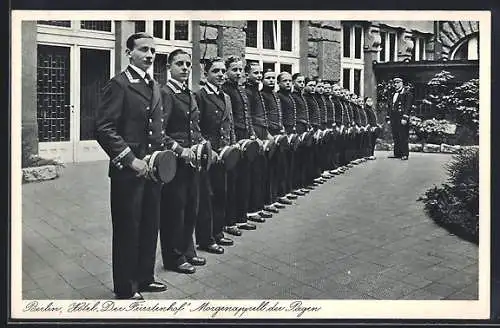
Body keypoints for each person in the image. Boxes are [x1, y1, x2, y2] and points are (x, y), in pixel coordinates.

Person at [95, 32, 167, 300]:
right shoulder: (120, 84)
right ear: (129, 53)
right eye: (143, 50)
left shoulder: (154, 85)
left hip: (152, 170)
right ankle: (126, 287)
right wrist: (130, 160)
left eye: (152, 51)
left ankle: (145, 277)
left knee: (150, 224)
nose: (149, 55)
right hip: (129, 171)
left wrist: (160, 161)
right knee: (128, 228)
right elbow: (104, 128)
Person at [160, 49, 211, 274]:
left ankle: (188, 251)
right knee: (174, 210)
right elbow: (159, 132)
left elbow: (195, 127)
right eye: (179, 64)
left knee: (191, 206)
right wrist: (180, 150)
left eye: (188, 64)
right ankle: (174, 257)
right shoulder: (165, 93)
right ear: (168, 67)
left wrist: (201, 145)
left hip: (192, 161)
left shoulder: (189, 94)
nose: (185, 68)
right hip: (175, 162)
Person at [195, 57, 236, 254]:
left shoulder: (226, 97)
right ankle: (206, 238)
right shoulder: (200, 96)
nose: (220, 75)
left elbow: (230, 125)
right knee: (206, 197)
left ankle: (218, 232)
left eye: (222, 71)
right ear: (206, 74)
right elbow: (195, 127)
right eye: (215, 71)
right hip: (208, 155)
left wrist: (232, 147)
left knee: (221, 194)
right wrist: (207, 150)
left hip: (224, 153)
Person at [221, 56, 258, 232]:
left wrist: (251, 133)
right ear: (227, 71)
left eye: (240, 70)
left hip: (246, 136)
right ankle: (230, 222)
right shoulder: (225, 90)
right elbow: (227, 119)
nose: (238, 73)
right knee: (232, 182)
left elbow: (247, 114)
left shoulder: (242, 91)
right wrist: (233, 141)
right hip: (233, 139)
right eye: (234, 69)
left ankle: (242, 218)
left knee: (245, 179)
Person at [244, 62, 277, 222]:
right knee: (255, 173)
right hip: (255, 132)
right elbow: (248, 116)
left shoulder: (255, 91)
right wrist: (254, 136)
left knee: (262, 172)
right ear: (247, 74)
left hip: (263, 131)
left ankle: (259, 205)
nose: (258, 76)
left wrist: (268, 134)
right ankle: (252, 210)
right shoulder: (248, 92)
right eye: (255, 73)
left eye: (259, 73)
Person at [290, 73, 314, 194]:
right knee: (297, 157)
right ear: (293, 82)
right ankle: (296, 185)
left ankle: (302, 183)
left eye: (303, 82)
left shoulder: (302, 97)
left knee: (304, 156)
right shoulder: (293, 96)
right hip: (298, 127)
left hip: (304, 127)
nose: (302, 84)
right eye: (299, 82)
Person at [387, 77, 413, 160]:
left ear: (402, 83)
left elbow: (408, 107)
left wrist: (405, 117)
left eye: (398, 83)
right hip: (394, 118)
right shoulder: (392, 94)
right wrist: (388, 117)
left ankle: (405, 154)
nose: (395, 84)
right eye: (395, 83)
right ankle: (397, 153)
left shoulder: (407, 93)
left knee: (403, 135)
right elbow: (390, 106)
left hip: (402, 117)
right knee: (396, 135)